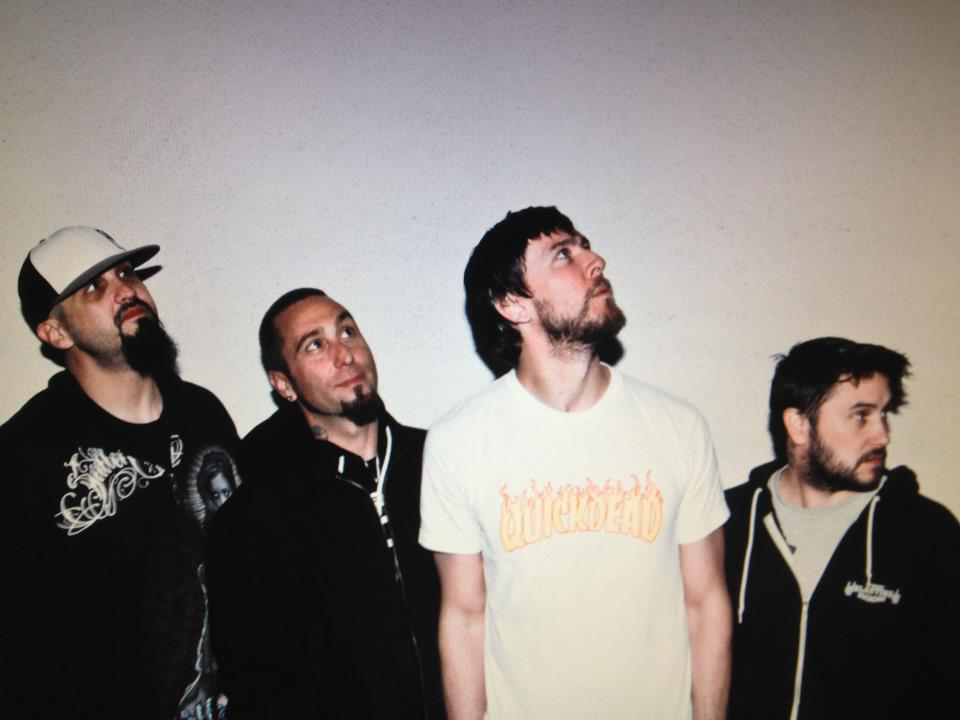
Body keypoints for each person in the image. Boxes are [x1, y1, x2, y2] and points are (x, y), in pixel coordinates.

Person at [419, 206, 731, 720]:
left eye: (585, 245)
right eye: (563, 254)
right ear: (512, 304)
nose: (595, 260)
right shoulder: (459, 441)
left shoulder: (678, 427)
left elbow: (707, 603)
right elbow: (464, 617)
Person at [0, 226, 240, 720]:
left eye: (127, 273)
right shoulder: (24, 454)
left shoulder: (204, 414)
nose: (126, 290)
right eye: (94, 286)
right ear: (55, 333)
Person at [205, 288, 444, 719]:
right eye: (315, 345)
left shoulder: (443, 462)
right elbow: (260, 685)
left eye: (347, 331)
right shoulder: (255, 521)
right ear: (284, 384)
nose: (344, 354)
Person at [724, 337, 960, 719]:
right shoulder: (727, 522)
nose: (882, 435)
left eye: (884, 414)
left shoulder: (926, 532)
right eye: (861, 416)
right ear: (799, 424)